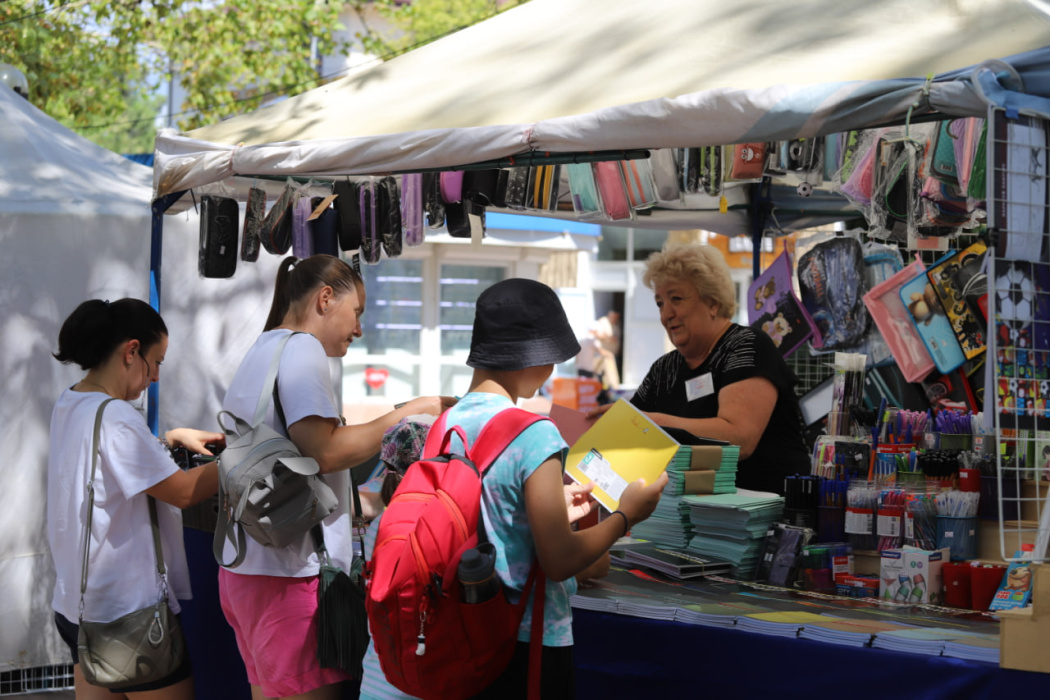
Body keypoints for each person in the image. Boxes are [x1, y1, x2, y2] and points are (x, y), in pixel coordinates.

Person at [361, 278, 664, 700]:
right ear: (535, 359)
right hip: (525, 641)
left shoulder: (443, 428)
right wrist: (627, 515)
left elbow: (486, 516)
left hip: (462, 633)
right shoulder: (534, 434)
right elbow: (558, 561)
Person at [217, 254, 454, 700]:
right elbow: (322, 451)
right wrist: (413, 410)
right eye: (358, 312)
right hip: (291, 577)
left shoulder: (264, 346)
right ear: (326, 299)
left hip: (249, 568)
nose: (359, 329)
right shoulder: (302, 348)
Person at [48, 298, 225, 700]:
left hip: (77, 607)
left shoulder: (72, 400)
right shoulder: (118, 416)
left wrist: (167, 440)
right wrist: (250, 456)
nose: (157, 376)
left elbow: (102, 464)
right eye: (157, 362)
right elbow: (182, 493)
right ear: (132, 351)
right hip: (128, 614)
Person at [621, 243, 810, 495]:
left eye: (676, 299)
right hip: (687, 518)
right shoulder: (664, 370)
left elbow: (739, 440)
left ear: (712, 303)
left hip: (761, 519)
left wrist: (653, 423)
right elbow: (631, 432)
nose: (666, 314)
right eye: (659, 303)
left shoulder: (745, 346)